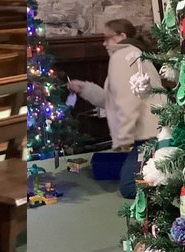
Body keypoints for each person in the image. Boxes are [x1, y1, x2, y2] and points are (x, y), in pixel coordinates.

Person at [67, 20, 166, 198]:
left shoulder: (126, 57)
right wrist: (83, 88)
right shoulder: (131, 55)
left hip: (152, 134)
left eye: (107, 38)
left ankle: (170, 185)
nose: (104, 43)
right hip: (149, 133)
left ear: (122, 37)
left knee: (129, 187)